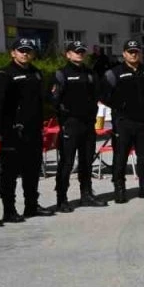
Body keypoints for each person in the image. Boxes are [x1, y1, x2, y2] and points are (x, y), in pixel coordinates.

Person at [0, 38, 56, 222]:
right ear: (13, 53)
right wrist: (0, 130)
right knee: (10, 173)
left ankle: (31, 205)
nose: (25, 54)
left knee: (32, 170)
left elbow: (40, 101)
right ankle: (9, 210)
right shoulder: (4, 74)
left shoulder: (36, 73)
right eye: (21, 50)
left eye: (28, 50)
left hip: (33, 131)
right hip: (12, 132)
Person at [100, 39, 144, 203]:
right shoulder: (114, 73)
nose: (133, 54)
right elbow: (104, 95)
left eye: (136, 52)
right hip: (123, 121)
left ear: (140, 54)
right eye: (130, 52)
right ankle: (119, 190)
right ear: (124, 54)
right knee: (120, 157)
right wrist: (120, 105)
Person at [50, 40, 107, 211]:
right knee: (66, 163)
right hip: (70, 124)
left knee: (87, 161)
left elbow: (97, 95)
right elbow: (54, 99)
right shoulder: (62, 74)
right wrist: (64, 117)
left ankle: (86, 194)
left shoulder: (90, 73)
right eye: (76, 51)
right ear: (68, 54)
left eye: (82, 51)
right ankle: (62, 198)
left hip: (88, 124)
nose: (79, 54)